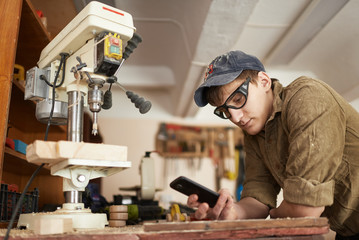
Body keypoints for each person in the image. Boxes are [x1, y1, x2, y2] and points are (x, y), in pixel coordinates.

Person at [188, 50, 359, 239]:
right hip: (348, 231)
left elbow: (305, 210)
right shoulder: (254, 133)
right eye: (224, 111)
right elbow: (258, 198)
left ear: (264, 81)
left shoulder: (308, 97)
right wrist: (232, 212)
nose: (235, 117)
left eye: (238, 99)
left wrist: (275, 213)